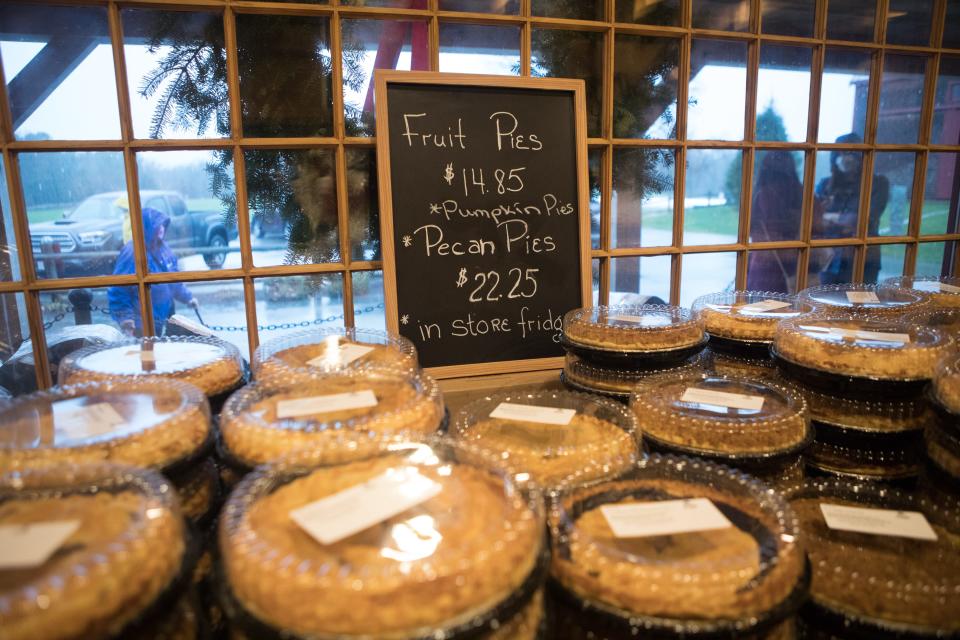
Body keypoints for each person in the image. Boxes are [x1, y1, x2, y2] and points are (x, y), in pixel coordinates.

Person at [108, 207, 198, 336]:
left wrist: (188, 298)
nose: (161, 228)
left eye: (162, 224)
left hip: (162, 316)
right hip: (141, 321)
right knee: (147, 354)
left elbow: (173, 277)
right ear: (146, 227)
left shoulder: (163, 247)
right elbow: (119, 287)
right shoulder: (132, 252)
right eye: (157, 225)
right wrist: (126, 318)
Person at [814, 133, 889, 284]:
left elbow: (861, 220)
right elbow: (814, 220)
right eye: (840, 153)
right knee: (826, 304)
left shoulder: (878, 183)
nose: (845, 158)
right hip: (829, 259)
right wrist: (842, 220)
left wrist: (830, 218)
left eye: (850, 152)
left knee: (861, 306)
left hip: (863, 260)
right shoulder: (825, 184)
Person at [747, 151, 803, 292]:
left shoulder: (761, 194)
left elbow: (752, 227)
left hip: (763, 264)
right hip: (796, 264)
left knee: (760, 310)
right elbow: (817, 225)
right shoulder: (802, 193)